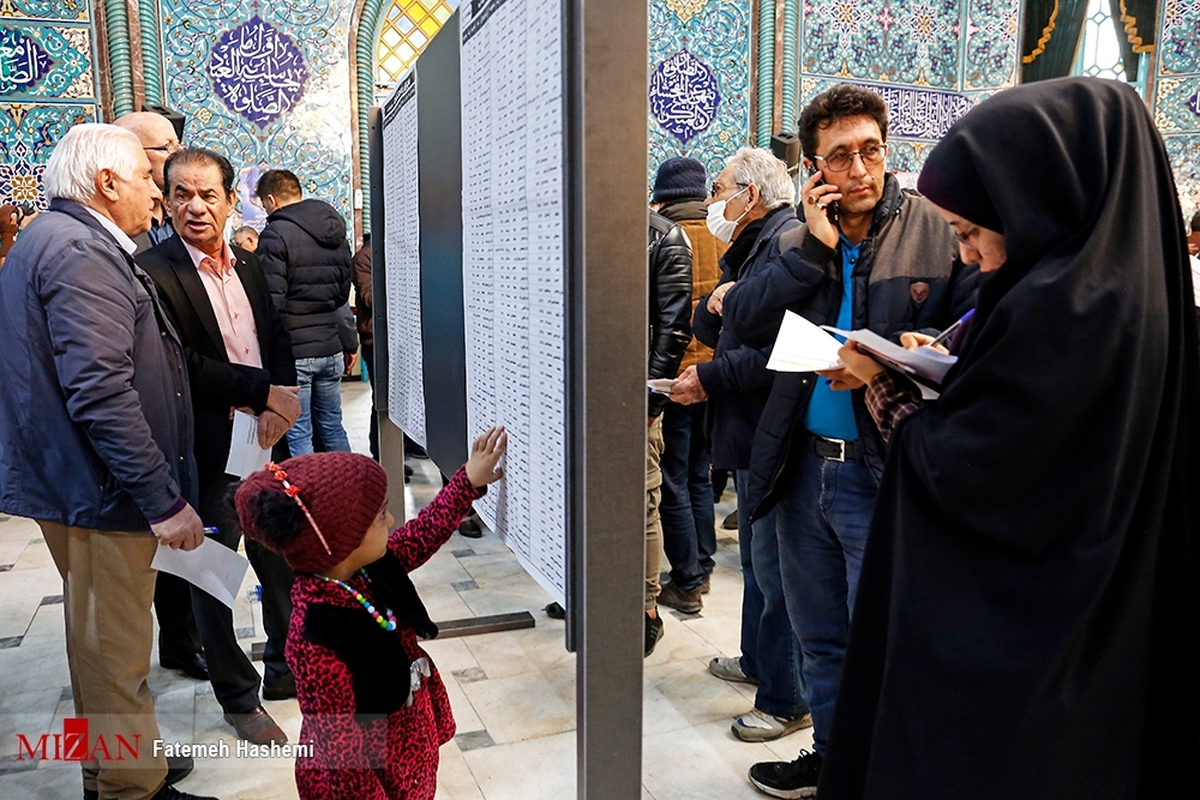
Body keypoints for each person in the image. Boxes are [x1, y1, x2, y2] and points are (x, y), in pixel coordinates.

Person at [788, 77, 1196, 799]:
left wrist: (882, 381)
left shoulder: (1062, 311)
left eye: (972, 233)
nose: (968, 257)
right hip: (1098, 627)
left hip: (1029, 650)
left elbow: (965, 472)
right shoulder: (1129, 289)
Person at [734, 84, 977, 796]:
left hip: (883, 474)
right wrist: (812, 252)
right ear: (814, 167)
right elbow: (742, 321)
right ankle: (836, 763)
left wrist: (917, 347)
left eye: (871, 149)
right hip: (803, 471)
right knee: (820, 640)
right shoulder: (793, 237)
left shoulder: (937, 230)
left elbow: (976, 337)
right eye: (840, 156)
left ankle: (888, 773)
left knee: (889, 640)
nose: (861, 168)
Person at [0, 123, 215, 800]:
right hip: (102, 490)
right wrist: (163, 499)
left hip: (83, 483)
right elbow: (99, 390)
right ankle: (131, 788)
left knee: (98, 644)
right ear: (107, 183)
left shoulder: (60, 237)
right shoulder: (78, 250)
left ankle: (120, 764)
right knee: (116, 651)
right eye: (149, 179)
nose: (157, 194)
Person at [234, 428, 507, 799]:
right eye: (380, 516)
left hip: (403, 745)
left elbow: (423, 534)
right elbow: (342, 761)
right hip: (374, 771)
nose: (392, 520)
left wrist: (467, 482)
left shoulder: (363, 568)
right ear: (342, 540)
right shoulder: (315, 639)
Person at [138, 148, 302, 745]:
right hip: (205, 446)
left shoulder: (249, 264)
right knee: (211, 572)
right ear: (166, 199)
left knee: (280, 556)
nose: (195, 207)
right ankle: (237, 697)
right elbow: (182, 362)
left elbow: (276, 334)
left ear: (233, 200)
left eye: (208, 194)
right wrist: (264, 392)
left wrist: (281, 396)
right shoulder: (152, 271)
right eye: (181, 194)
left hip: (264, 438)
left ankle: (286, 668)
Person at [670, 147, 811, 742]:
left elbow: (784, 351)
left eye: (720, 188)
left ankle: (786, 699)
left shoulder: (789, 245)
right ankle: (758, 661)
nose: (711, 202)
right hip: (746, 428)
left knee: (778, 573)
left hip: (772, 431)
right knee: (755, 560)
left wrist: (712, 375)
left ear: (749, 194)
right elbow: (708, 325)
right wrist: (716, 305)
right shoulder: (748, 246)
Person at [651, 157, 724, 616]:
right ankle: (704, 562)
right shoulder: (723, 234)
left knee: (673, 479)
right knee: (701, 473)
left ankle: (687, 580)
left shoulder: (660, 236)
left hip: (677, 377)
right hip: (715, 376)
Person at [255, 169, 354, 455]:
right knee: (333, 427)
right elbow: (340, 296)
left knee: (298, 433)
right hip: (330, 348)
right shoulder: (335, 233)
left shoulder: (275, 234)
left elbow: (271, 304)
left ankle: (305, 499)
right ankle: (346, 492)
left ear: (271, 200)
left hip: (296, 353)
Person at [643, 199, 694, 654]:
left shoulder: (664, 237)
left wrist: (651, 398)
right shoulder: (573, 228)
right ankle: (588, 588)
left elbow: (674, 327)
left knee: (641, 501)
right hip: (579, 396)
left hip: (637, 395)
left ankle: (645, 608)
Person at [114, 111, 182, 252]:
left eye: (179, 146)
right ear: (134, 153)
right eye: (166, 147)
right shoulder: (114, 221)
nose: (180, 156)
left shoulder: (185, 211)